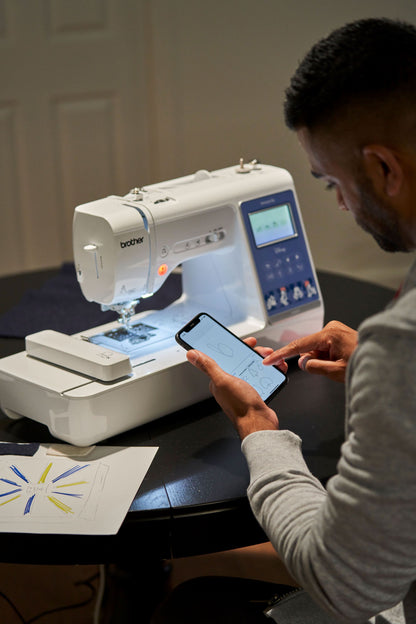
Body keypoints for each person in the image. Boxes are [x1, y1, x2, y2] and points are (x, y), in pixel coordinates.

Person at [153, 17, 416, 624]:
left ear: (384, 168)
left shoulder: (401, 343)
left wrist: (257, 428)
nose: (342, 203)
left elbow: (344, 582)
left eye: (331, 183)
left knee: (191, 611)